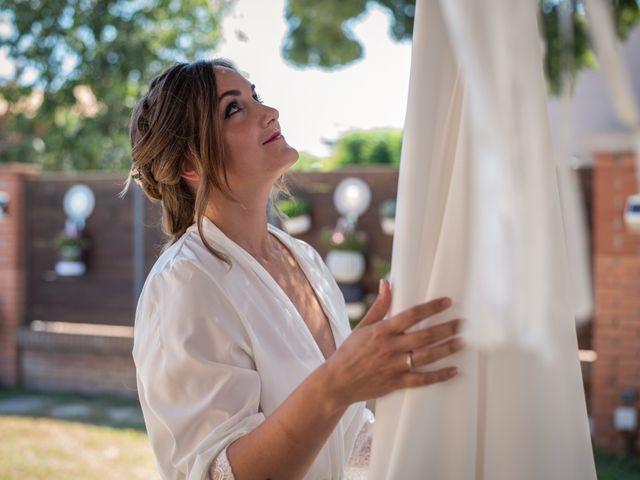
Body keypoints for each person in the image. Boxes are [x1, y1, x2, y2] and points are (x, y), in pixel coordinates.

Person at [125, 59, 464, 480]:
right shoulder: (186, 283)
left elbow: (347, 438)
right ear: (190, 165)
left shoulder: (305, 260)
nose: (269, 112)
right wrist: (336, 383)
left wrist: (451, 443)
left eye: (256, 97)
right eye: (234, 109)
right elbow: (216, 473)